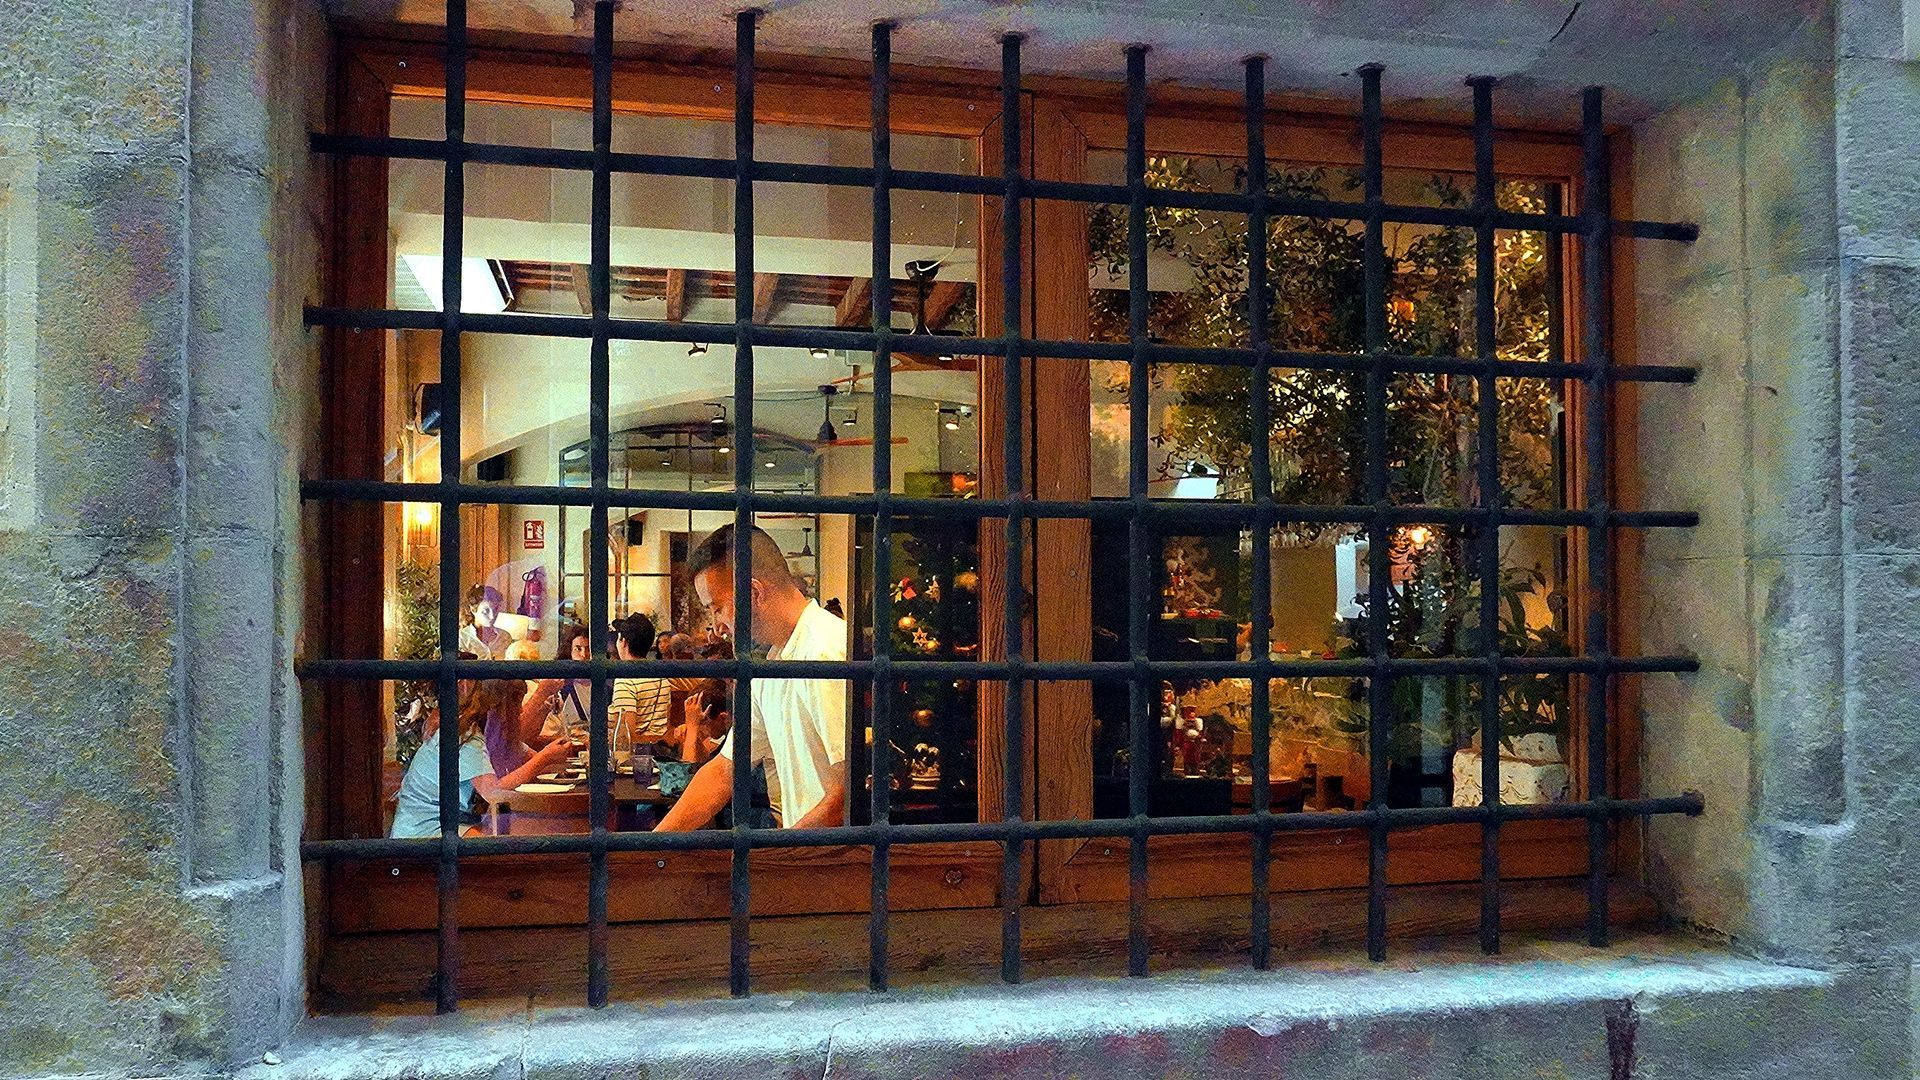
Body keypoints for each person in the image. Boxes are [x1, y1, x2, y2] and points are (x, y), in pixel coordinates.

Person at [655, 524, 848, 831]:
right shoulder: (773, 662)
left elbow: (847, 797)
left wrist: (782, 854)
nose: (717, 626)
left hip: (838, 858)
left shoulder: (826, 651)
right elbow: (723, 771)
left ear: (754, 593)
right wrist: (650, 846)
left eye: (717, 608)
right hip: (808, 854)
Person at [390, 679, 571, 837]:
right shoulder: (465, 736)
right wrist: (545, 758)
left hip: (451, 821)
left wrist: (552, 756)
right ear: (498, 706)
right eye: (515, 703)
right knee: (506, 849)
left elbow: (528, 757)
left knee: (521, 837)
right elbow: (493, 792)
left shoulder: (486, 734)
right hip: (424, 828)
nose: (520, 710)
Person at [611, 612, 673, 749]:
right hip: (659, 751)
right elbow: (665, 725)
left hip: (634, 755)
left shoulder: (625, 680)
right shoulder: (662, 678)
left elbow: (625, 735)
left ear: (623, 642)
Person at [459, 584, 515, 660]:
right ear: (473, 610)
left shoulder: (505, 637)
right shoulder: (462, 638)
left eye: (495, 610)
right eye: (485, 611)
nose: (492, 616)